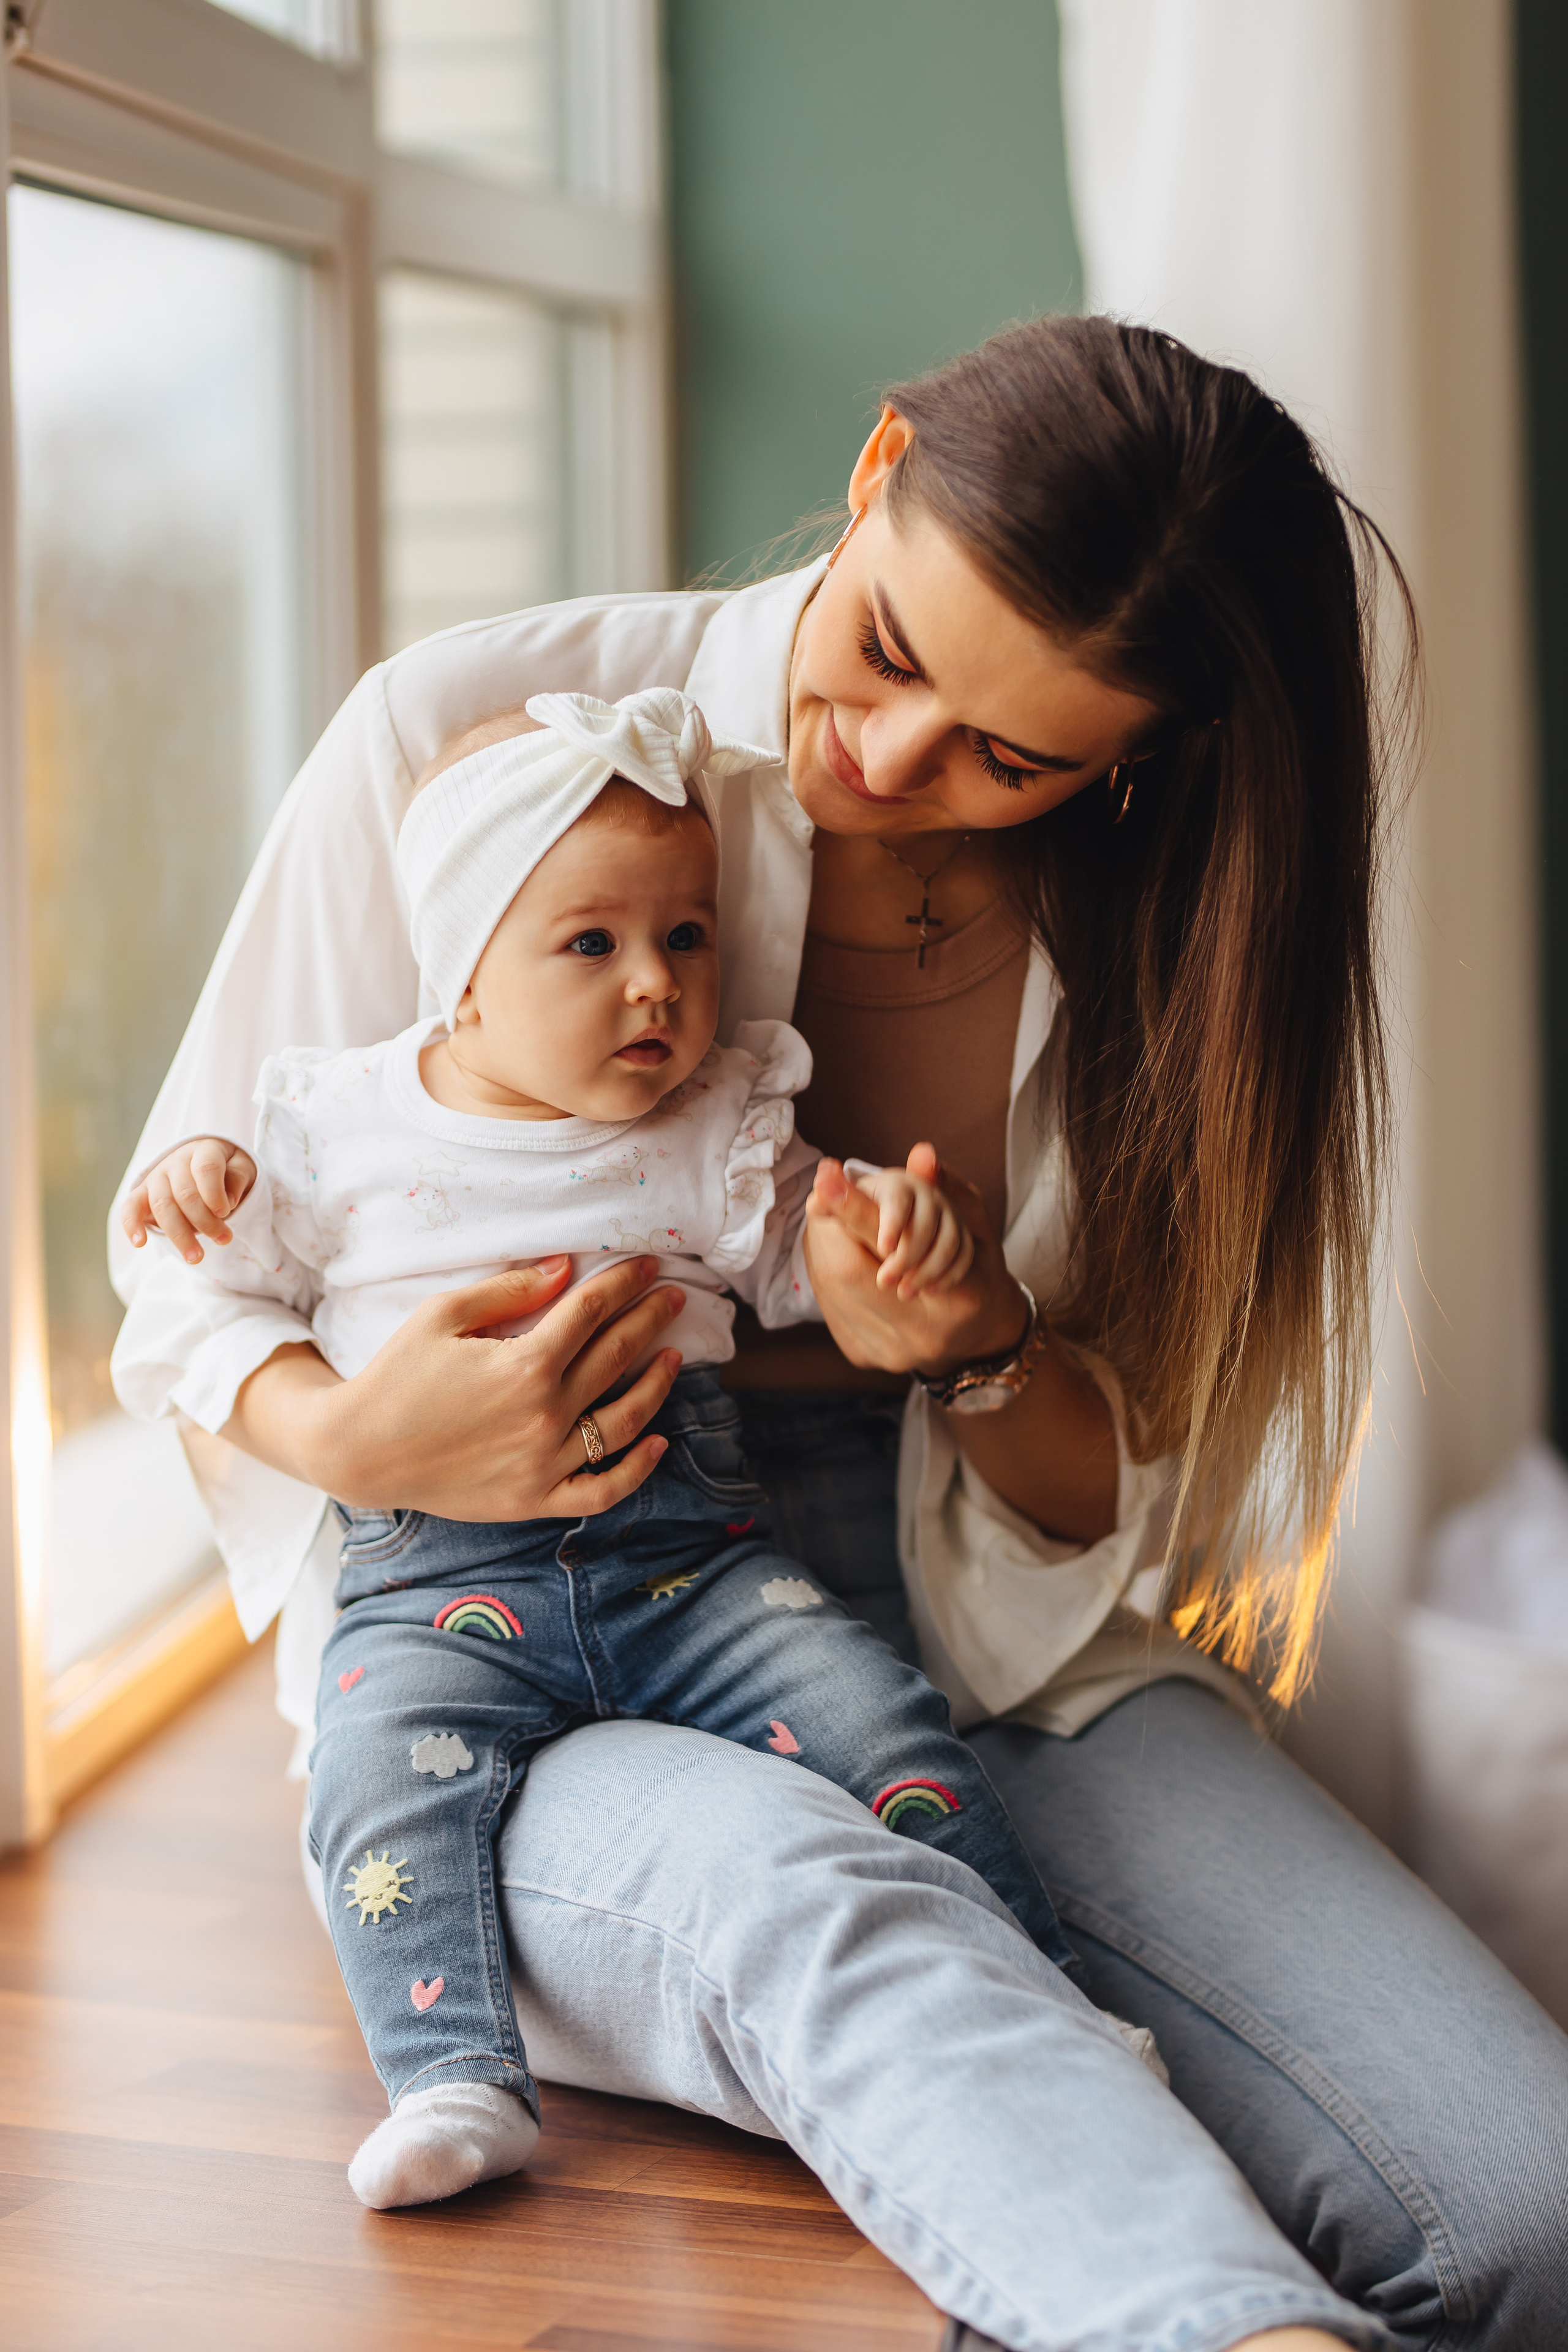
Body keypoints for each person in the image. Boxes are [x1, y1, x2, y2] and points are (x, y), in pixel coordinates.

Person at [110, 318, 1568, 2352]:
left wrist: (972, 1350)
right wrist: (360, 1446)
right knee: (837, 1917)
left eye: (1010, 754)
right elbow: (196, 1248)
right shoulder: (462, 737)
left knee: (1525, 2215)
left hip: (978, 1624)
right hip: (514, 1652)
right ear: (876, 464)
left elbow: (1101, 1494)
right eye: (888, 650)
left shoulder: (1167, 930)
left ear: (1130, 759)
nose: (885, 763)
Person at [120, 684, 1097, 2212]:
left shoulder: (717, 1121)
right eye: (592, 946)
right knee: (380, 1791)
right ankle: (453, 2080)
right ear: (463, 976)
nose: (657, 986)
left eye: (687, 936)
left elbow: (808, 1266)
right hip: (434, 1590)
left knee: (885, 1726)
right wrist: (194, 1180)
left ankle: (1061, 2022)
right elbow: (208, 1291)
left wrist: (887, 1247)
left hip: (690, 1568)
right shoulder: (337, 1128)